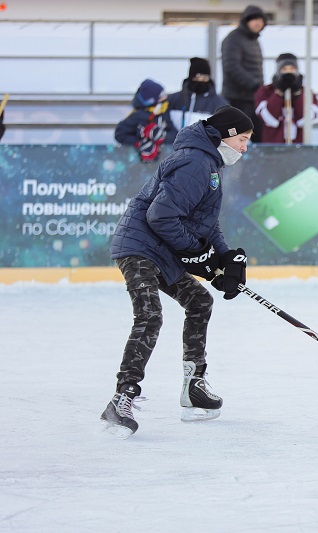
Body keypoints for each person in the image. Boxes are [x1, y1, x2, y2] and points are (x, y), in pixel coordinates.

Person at [101, 105, 252, 438]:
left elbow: (204, 223)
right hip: (140, 248)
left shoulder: (209, 163)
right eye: (242, 139)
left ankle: (193, 386)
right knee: (150, 315)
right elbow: (161, 217)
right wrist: (198, 254)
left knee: (199, 301)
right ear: (226, 136)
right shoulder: (195, 162)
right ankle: (122, 397)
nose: (244, 147)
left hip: (162, 251)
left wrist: (225, 258)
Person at [221, 4, 266, 143]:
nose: (258, 22)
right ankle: (235, 166)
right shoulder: (234, 39)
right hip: (237, 100)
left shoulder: (254, 40)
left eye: (261, 19)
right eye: (253, 19)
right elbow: (231, 66)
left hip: (253, 99)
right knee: (236, 139)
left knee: (261, 138)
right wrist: (254, 84)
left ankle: (262, 165)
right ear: (245, 21)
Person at [254, 53, 318, 144]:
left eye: (292, 69)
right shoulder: (266, 91)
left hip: (299, 145)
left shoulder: (307, 92)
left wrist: (298, 95)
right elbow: (269, 118)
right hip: (273, 145)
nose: (288, 73)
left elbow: (306, 119)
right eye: (284, 69)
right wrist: (278, 94)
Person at [115, 79, 178, 162]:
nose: (166, 97)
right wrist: (140, 143)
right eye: (162, 95)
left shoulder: (164, 112)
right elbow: (120, 134)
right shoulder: (138, 115)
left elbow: (175, 134)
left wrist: (162, 136)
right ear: (152, 100)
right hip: (138, 163)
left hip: (163, 161)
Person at [167, 57, 228, 130]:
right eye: (197, 78)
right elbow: (166, 126)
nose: (200, 81)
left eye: (204, 78)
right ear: (191, 77)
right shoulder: (173, 100)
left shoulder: (220, 104)